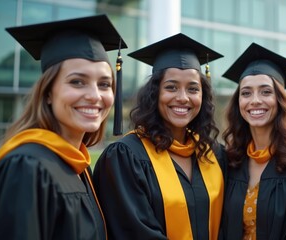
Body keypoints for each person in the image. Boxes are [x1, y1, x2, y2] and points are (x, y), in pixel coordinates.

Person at [0, 15, 126, 240]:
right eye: (77, 82)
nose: (95, 96)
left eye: (104, 84)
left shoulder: (80, 166)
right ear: (48, 92)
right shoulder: (27, 166)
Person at [92, 33, 226, 240]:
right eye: (171, 87)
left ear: (203, 96)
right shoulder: (126, 157)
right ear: (154, 94)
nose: (182, 98)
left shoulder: (213, 154)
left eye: (193, 89)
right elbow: (134, 232)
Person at [220, 42, 286, 240]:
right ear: (238, 103)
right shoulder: (231, 160)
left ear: (281, 100)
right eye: (246, 93)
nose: (255, 100)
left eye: (266, 92)